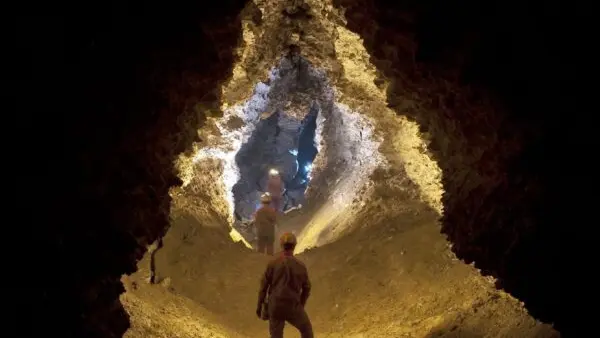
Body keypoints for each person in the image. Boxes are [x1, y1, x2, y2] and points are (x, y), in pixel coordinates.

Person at [256, 232, 313, 338]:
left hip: (275, 306)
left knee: (276, 336)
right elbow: (307, 288)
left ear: (281, 245)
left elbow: (263, 287)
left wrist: (259, 306)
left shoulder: (273, 263)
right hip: (292, 305)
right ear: (294, 246)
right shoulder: (301, 266)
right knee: (307, 330)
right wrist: (301, 305)